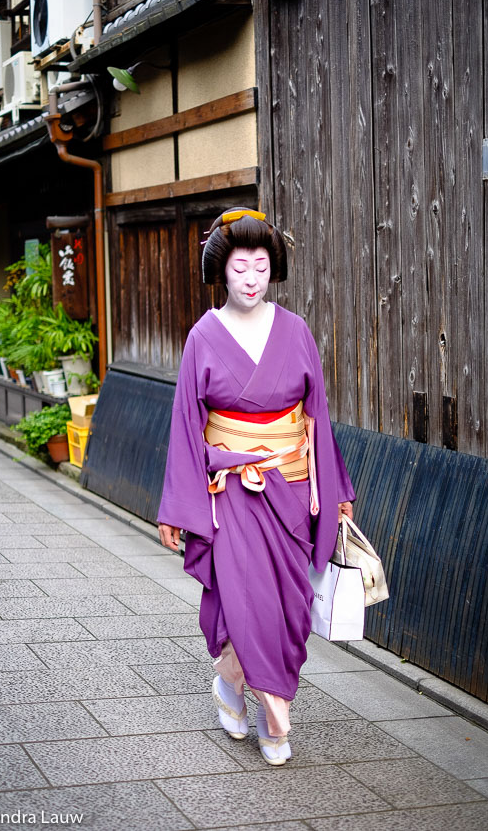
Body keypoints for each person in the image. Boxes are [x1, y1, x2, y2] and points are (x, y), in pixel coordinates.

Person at [157, 207, 354, 766]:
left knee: (290, 607)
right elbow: (186, 426)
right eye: (240, 266)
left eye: (260, 266)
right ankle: (276, 716)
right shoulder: (203, 336)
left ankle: (228, 680)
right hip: (233, 494)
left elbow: (316, 414)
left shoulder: (295, 331)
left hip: (291, 493)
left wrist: (333, 491)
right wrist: (178, 506)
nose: (250, 278)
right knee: (245, 602)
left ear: (274, 269)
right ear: (222, 271)